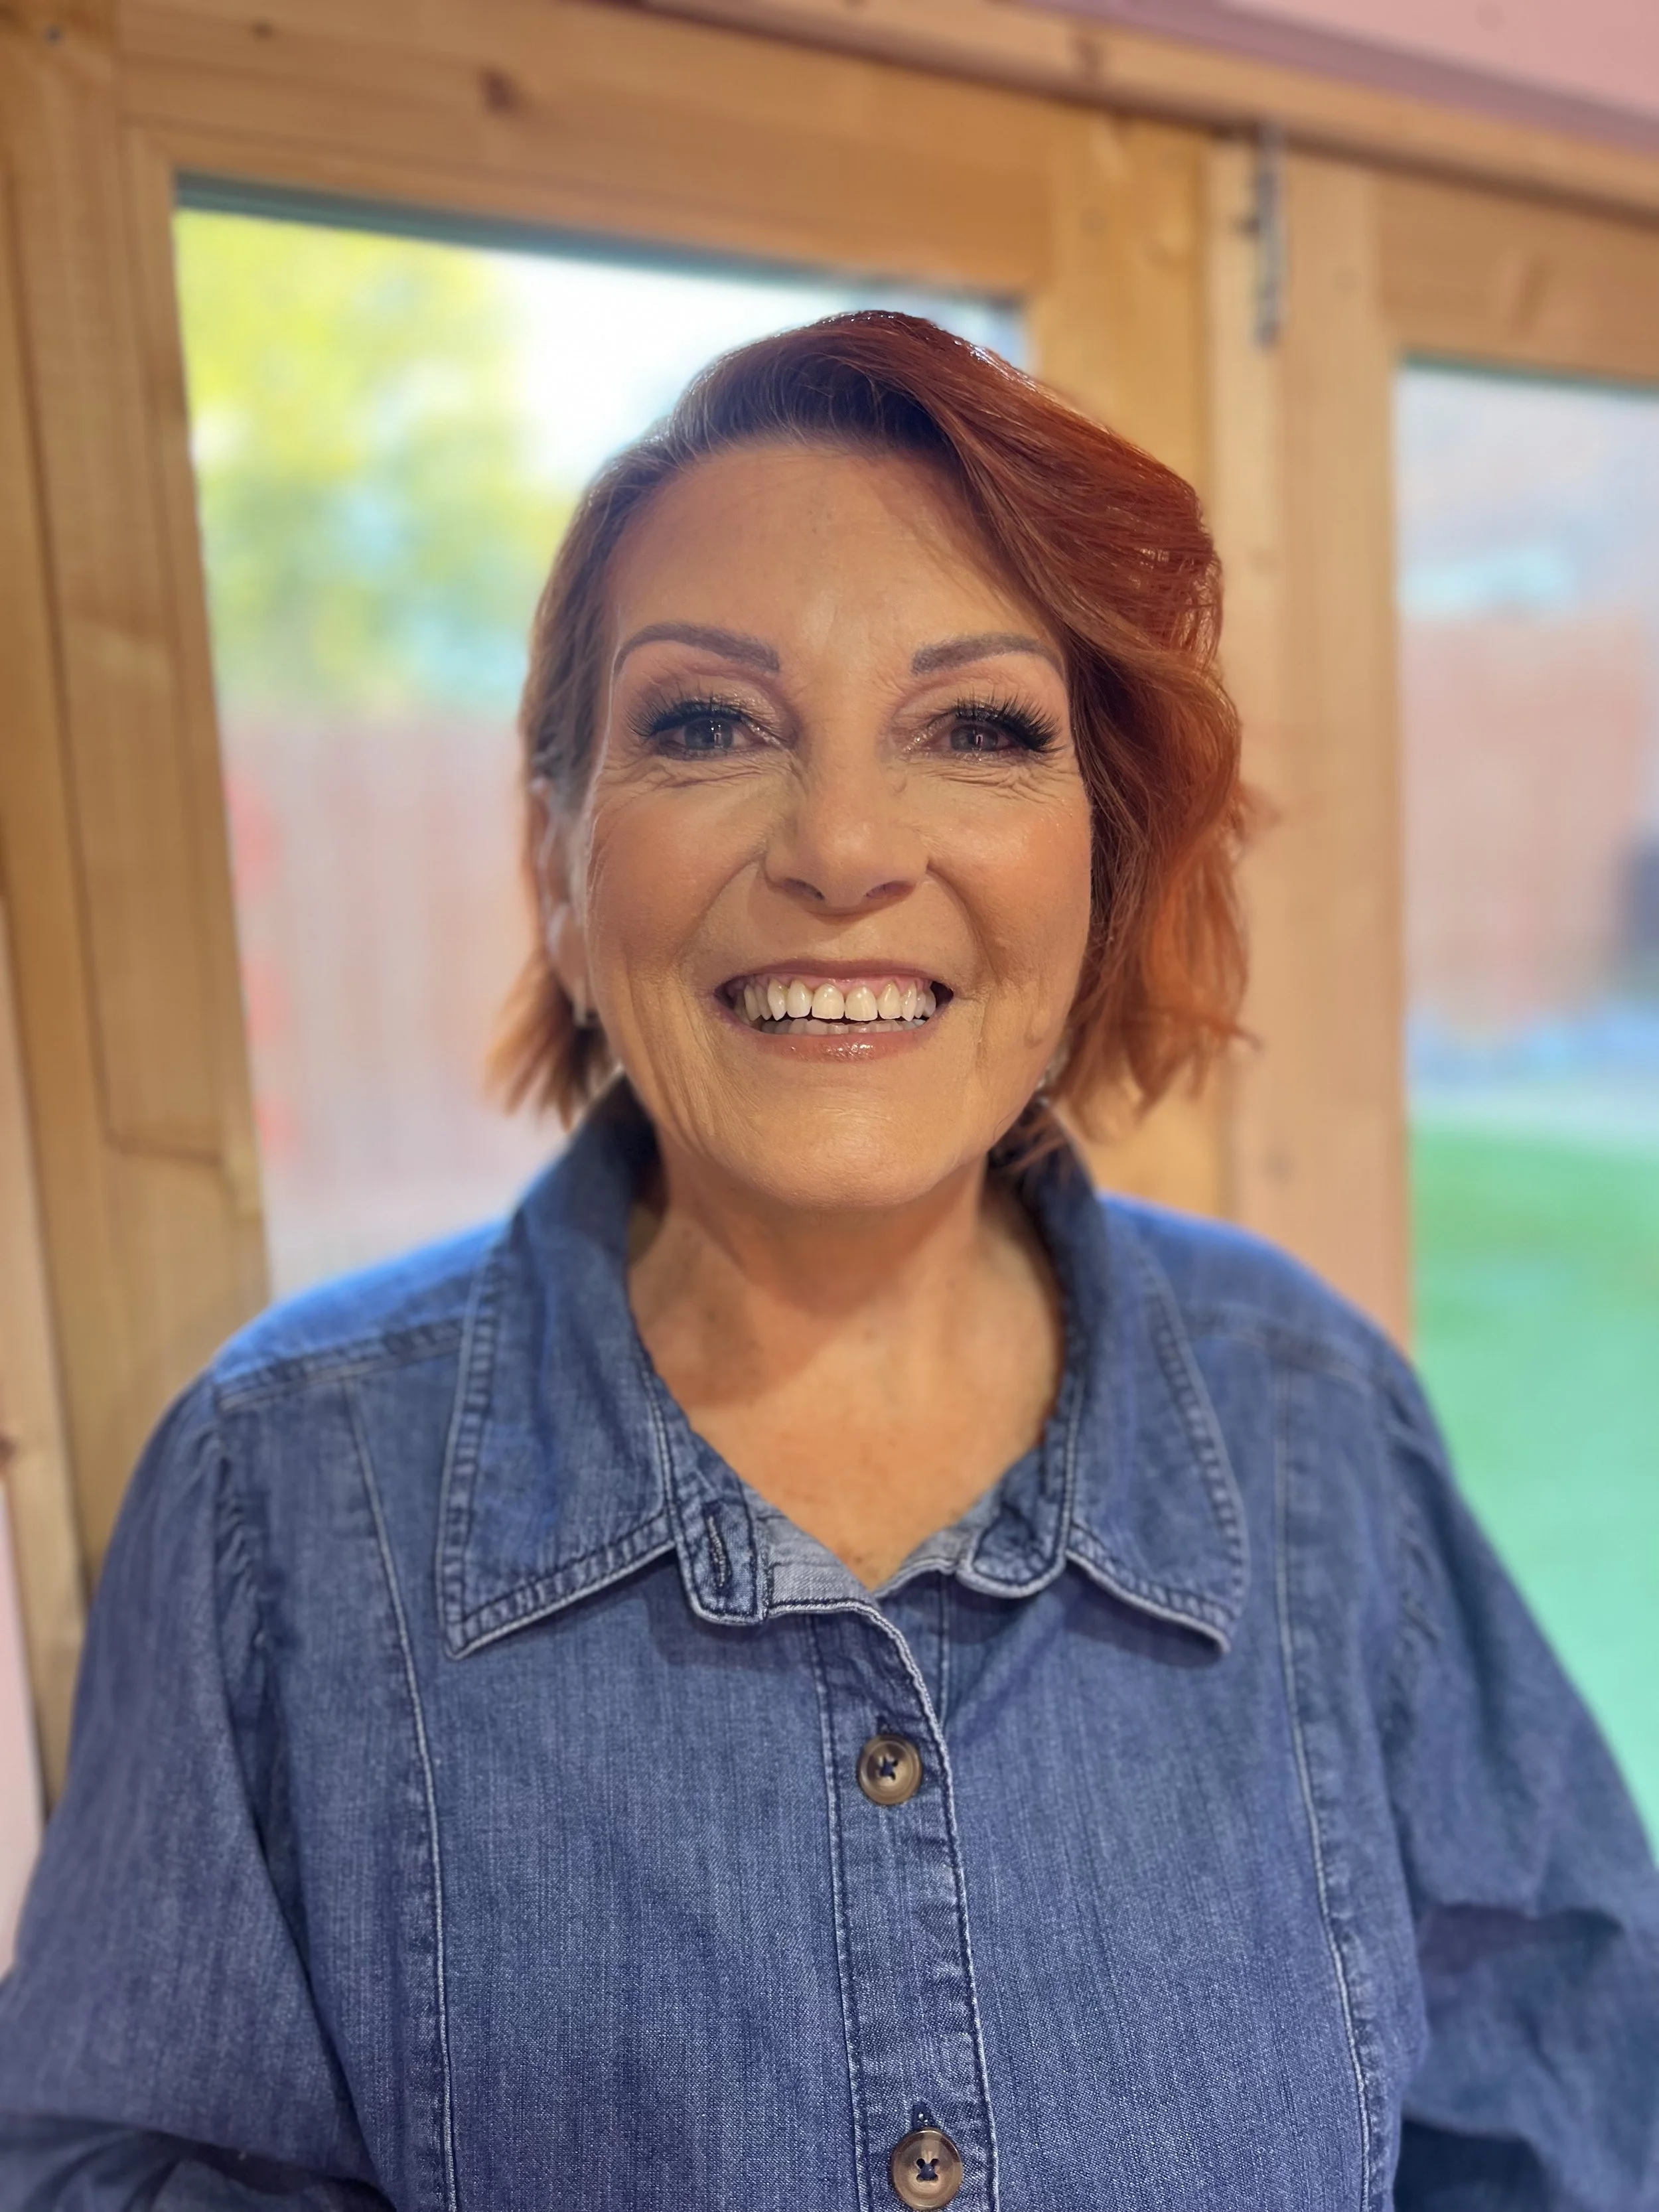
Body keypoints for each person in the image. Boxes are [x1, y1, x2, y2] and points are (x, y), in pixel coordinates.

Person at [1, 312, 1655, 2212]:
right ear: (556, 855)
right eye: (707, 721)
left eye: (976, 727)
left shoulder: (1313, 1420)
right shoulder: (274, 1489)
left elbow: (1564, 2102)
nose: (847, 843)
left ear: (1095, 861)